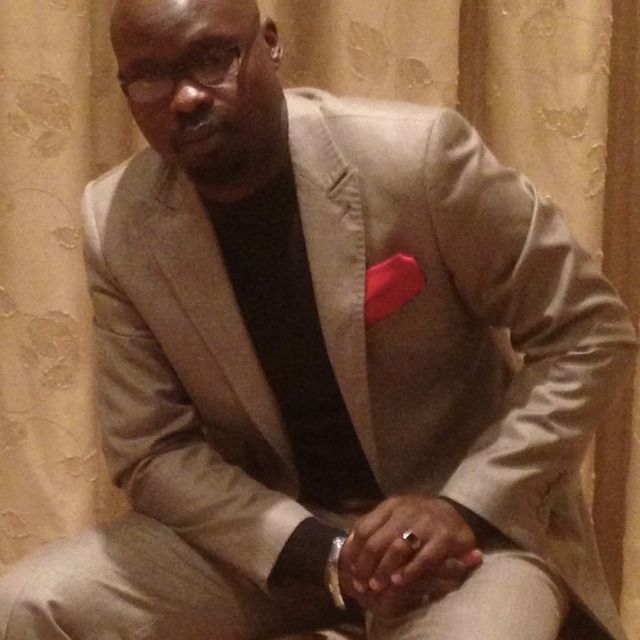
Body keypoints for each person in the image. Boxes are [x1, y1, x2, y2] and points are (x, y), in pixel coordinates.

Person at [0, 0, 636, 638]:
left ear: (271, 45)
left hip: (467, 541)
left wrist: (462, 505)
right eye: (148, 77)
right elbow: (152, 450)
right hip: (267, 544)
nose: (186, 97)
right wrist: (321, 553)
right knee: (25, 606)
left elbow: (588, 332)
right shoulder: (116, 221)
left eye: (212, 58)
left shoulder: (416, 158)